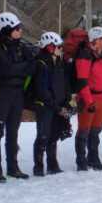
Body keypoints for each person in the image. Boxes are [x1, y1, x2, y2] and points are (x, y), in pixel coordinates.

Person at [0, 12, 34, 182]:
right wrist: (22, 67)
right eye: (16, 29)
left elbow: (31, 65)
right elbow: (6, 70)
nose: (20, 31)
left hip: (16, 93)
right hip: (1, 93)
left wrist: (19, 67)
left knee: (13, 131)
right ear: (6, 30)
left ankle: (13, 167)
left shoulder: (20, 46)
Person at [74, 26, 102, 171]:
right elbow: (82, 81)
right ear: (96, 40)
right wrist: (88, 101)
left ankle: (93, 158)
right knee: (84, 130)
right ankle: (81, 160)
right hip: (88, 97)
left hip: (100, 97)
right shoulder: (85, 55)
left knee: (96, 129)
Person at [32, 32, 71, 176]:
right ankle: (38, 166)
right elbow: (42, 90)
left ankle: (52, 164)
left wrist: (66, 102)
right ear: (50, 47)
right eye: (58, 46)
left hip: (58, 105)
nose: (61, 49)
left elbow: (64, 84)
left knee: (54, 135)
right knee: (43, 135)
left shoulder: (59, 62)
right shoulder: (41, 63)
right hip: (45, 106)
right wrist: (56, 106)